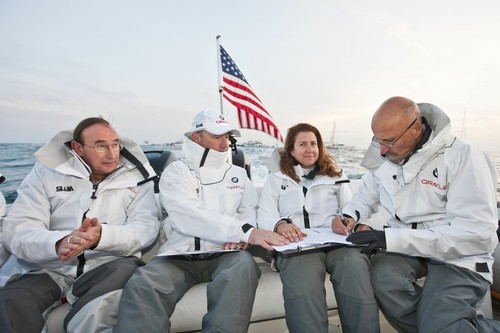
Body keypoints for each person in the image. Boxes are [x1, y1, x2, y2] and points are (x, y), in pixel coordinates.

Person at [333, 96, 500, 332]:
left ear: (416, 129)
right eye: (377, 140)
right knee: (383, 280)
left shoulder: (464, 157)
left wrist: (388, 239)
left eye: (388, 141)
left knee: (438, 325)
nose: (381, 149)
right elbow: (368, 193)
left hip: (460, 257)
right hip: (407, 248)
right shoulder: (388, 154)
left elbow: (474, 236)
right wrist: (351, 214)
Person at [115, 110, 289, 333]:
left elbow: (249, 211)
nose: (224, 143)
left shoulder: (238, 174)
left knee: (243, 268)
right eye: (217, 136)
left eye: (227, 136)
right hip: (179, 255)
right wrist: (243, 232)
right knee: (144, 284)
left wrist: (242, 239)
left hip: (227, 254)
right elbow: (187, 215)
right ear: (196, 137)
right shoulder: (176, 172)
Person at [0, 117, 160, 332]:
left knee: (97, 309)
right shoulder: (46, 173)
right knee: (11, 302)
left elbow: (146, 228)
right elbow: (18, 228)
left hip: (108, 265)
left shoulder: (139, 177)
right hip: (48, 268)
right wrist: (58, 243)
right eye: (101, 146)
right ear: (77, 148)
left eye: (115, 145)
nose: (112, 154)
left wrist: (101, 236)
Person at [257, 123, 380, 333]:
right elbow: (264, 214)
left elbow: (350, 208)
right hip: (298, 245)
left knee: (353, 264)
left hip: (335, 241)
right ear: (291, 150)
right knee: (302, 274)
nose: (309, 149)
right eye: (302, 144)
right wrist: (280, 224)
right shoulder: (276, 178)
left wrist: (345, 220)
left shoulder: (334, 175)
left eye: (314, 143)